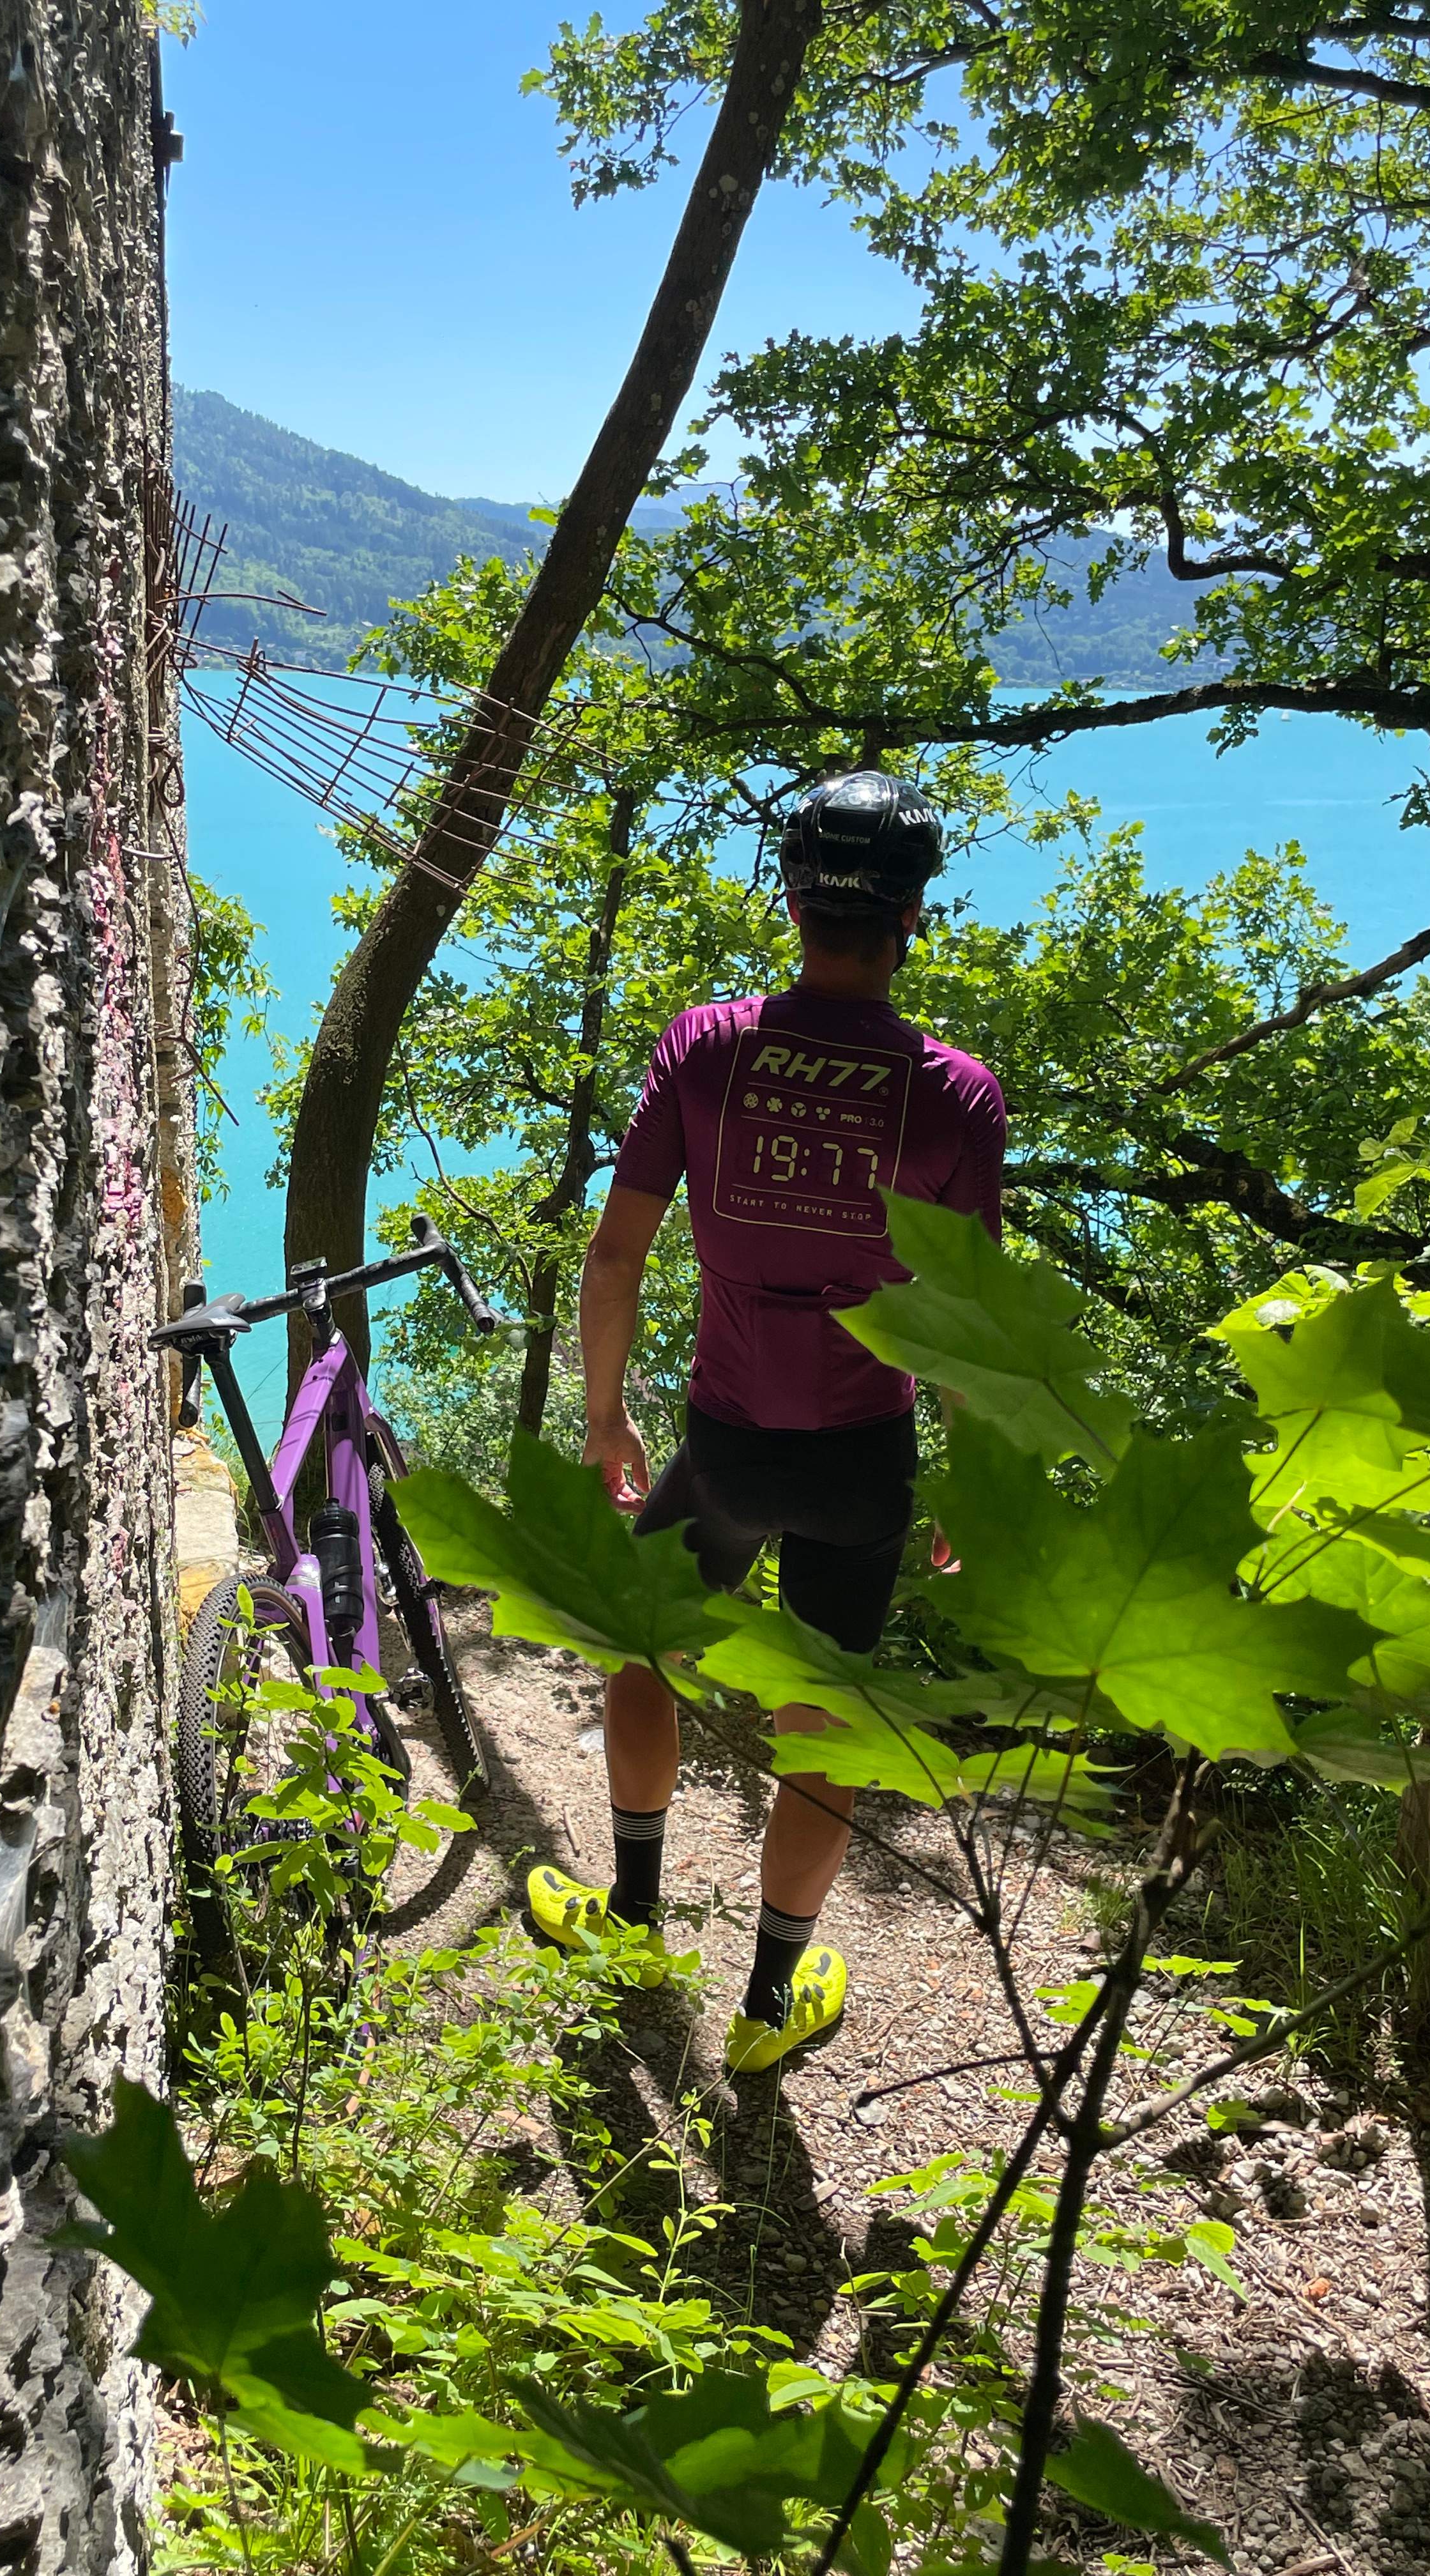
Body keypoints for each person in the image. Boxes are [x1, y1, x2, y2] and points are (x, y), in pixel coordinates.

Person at [526, 771, 1005, 2073]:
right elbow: (969, 1314)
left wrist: (606, 1415)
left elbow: (618, 1255)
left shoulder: (707, 1046)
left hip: (728, 1440)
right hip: (865, 1460)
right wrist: (976, 1480)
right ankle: (766, 2002)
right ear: (914, 917)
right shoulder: (958, 1095)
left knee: (645, 1654)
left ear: (793, 901)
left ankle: (630, 1924)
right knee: (826, 1720)